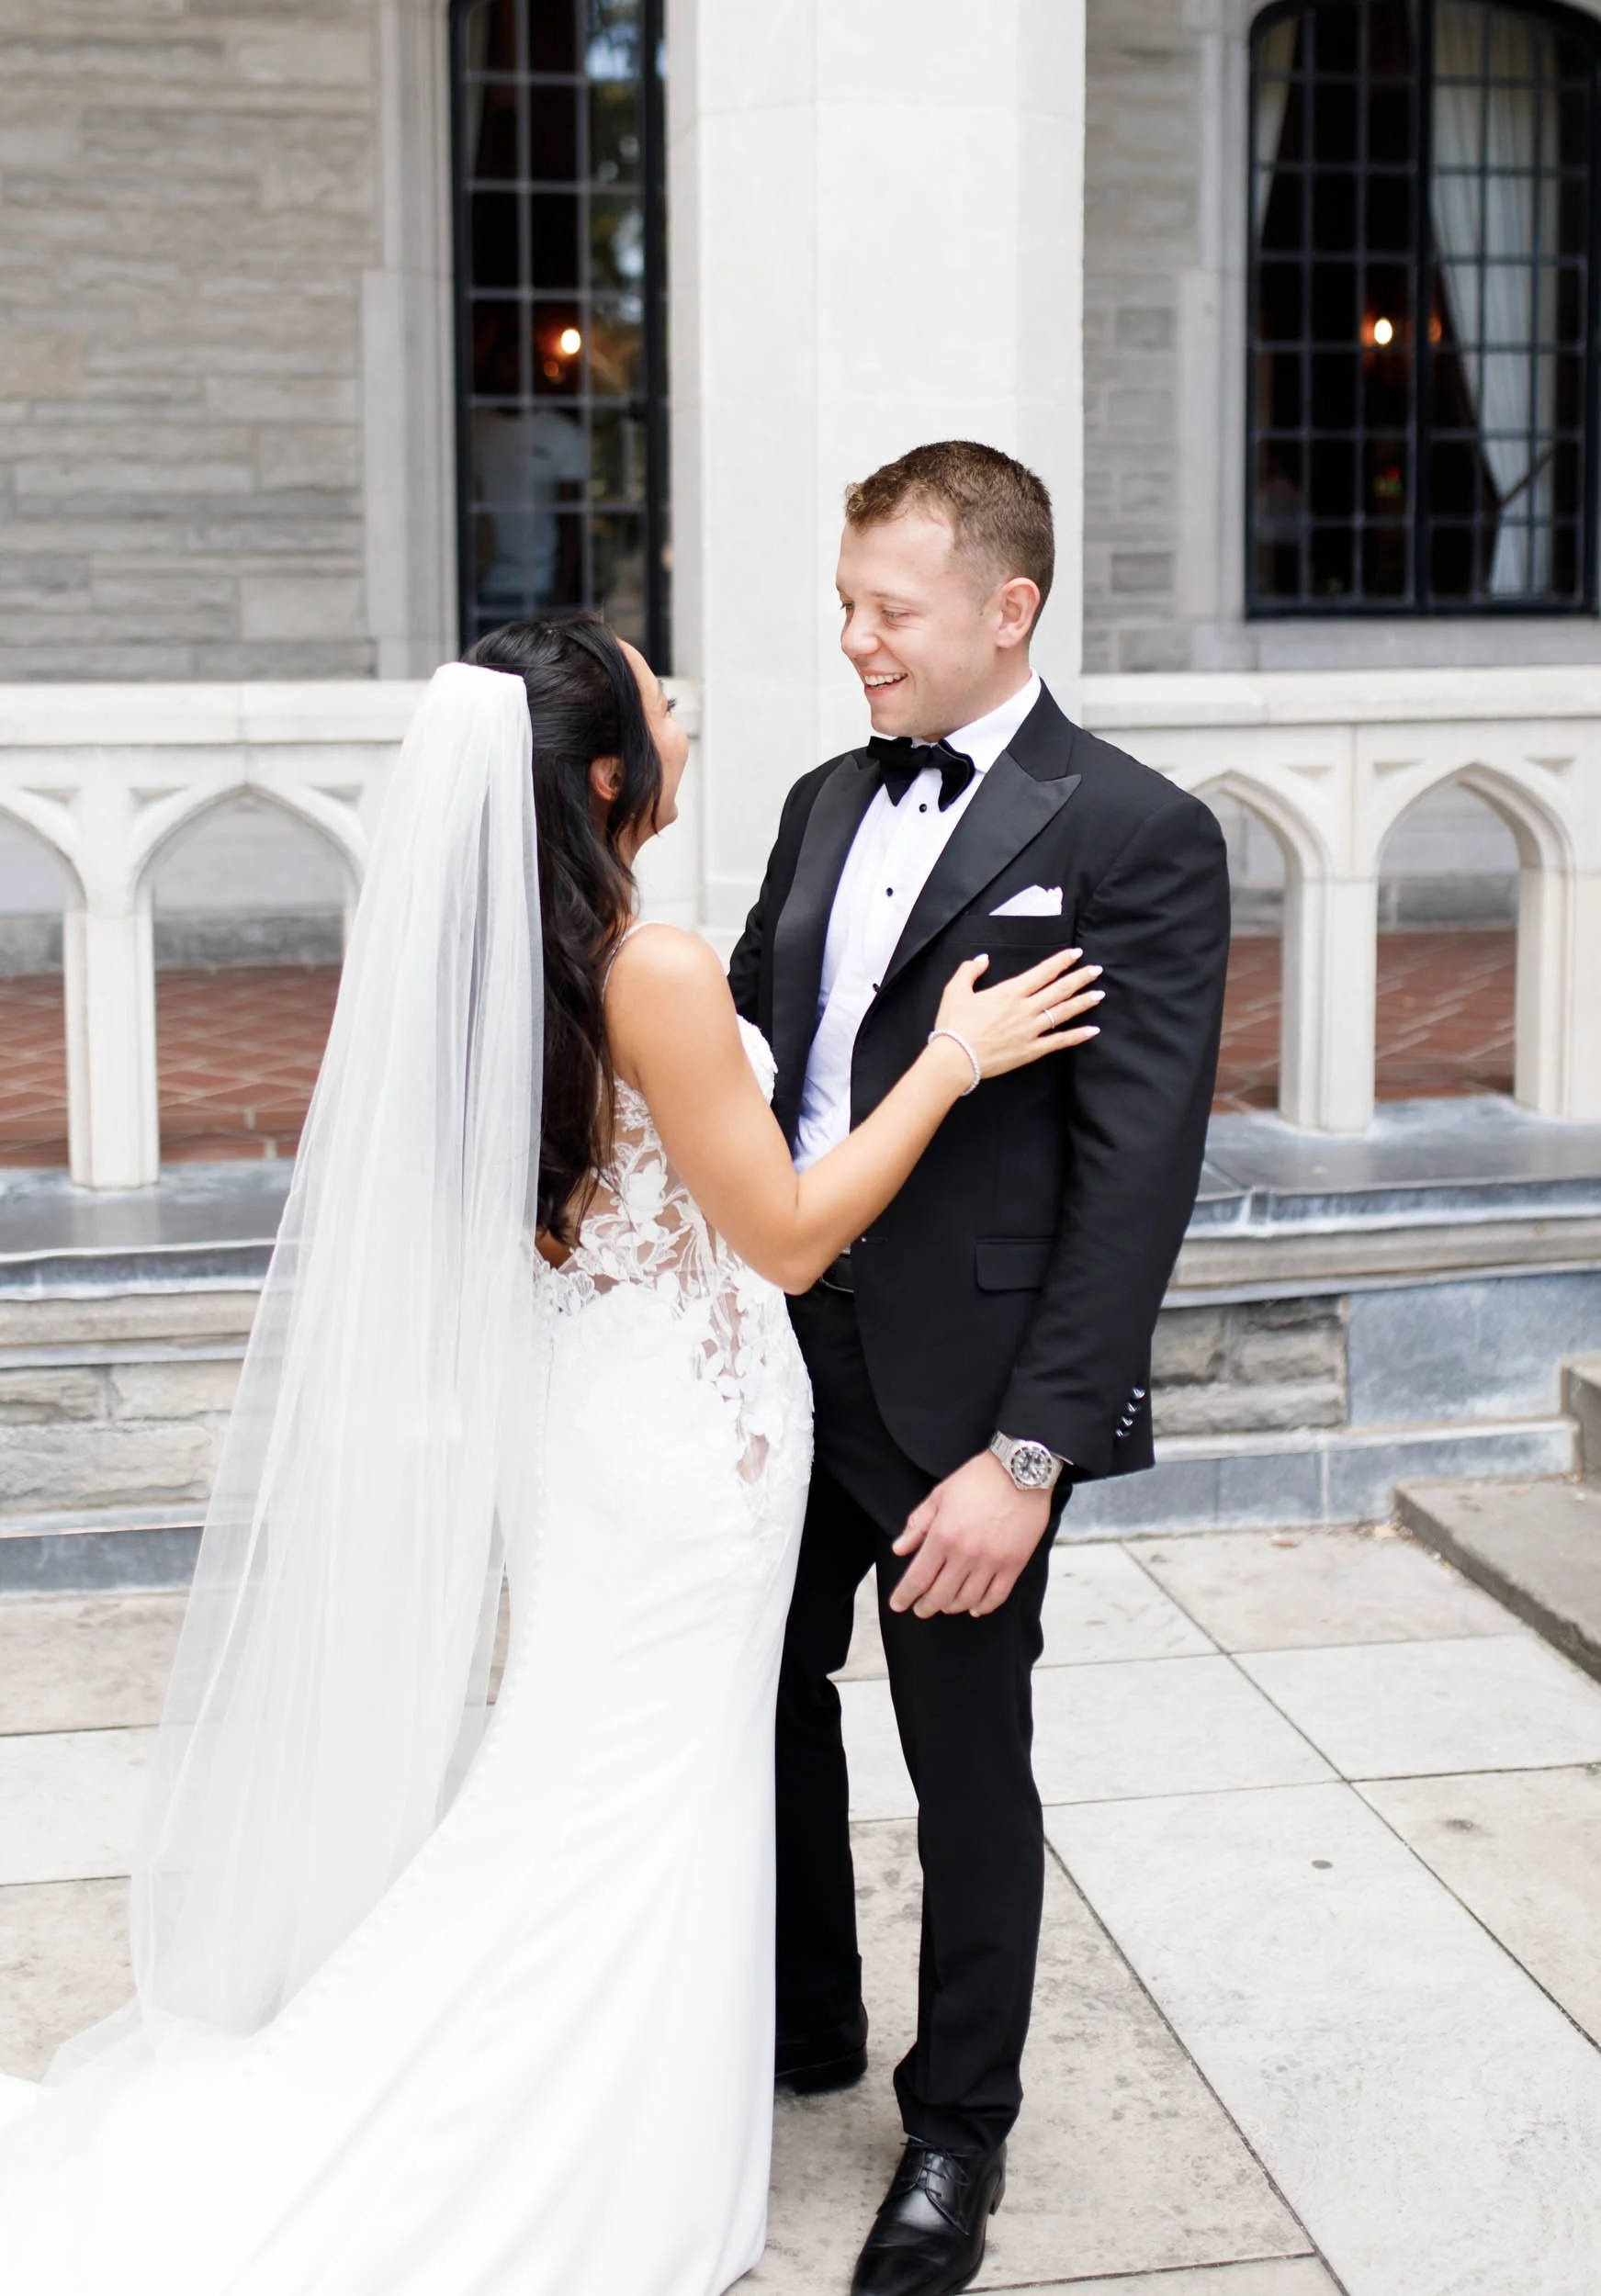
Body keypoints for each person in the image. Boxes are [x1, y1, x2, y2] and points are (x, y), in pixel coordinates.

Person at [0, 617, 1101, 2296]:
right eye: (661, 696)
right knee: (628, 1791)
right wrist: (950, 1061)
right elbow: (790, 1236)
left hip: (596, 1426)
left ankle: (642, 2097)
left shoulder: (488, 952)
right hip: (680, 1454)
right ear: (606, 774)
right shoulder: (641, 969)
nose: (688, 704)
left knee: (601, 1769)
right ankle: (548, 2138)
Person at [730, 441, 1231, 2296]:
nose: (852, 638)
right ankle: (802, 2020)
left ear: (1006, 609)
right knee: (755, 1695)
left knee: (966, 1767)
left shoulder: (1133, 831)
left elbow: (1137, 1173)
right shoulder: (808, 800)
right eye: (845, 602)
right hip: (780, 1361)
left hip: (968, 1400)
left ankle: (956, 2134)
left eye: (889, 609)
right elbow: (776, 1065)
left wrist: (1029, 1455)